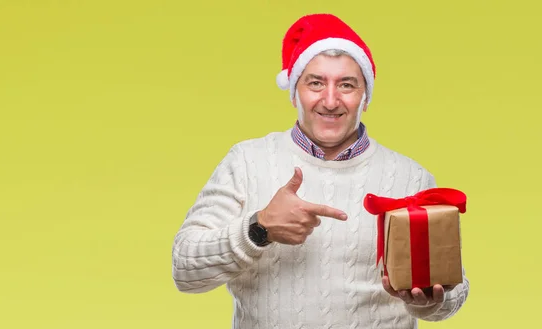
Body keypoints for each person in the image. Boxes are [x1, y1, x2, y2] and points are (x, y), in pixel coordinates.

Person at [171, 13, 469, 328]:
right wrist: (258, 229)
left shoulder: (411, 176)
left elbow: (455, 288)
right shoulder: (246, 161)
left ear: (364, 97)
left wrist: (432, 302)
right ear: (294, 92)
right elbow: (185, 270)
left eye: (346, 85)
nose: (330, 100)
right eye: (316, 83)